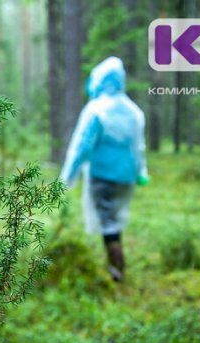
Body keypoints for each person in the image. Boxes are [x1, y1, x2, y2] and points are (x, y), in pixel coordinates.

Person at [59, 56, 149, 283]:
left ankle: (117, 267)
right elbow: (138, 146)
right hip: (126, 176)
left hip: (102, 174)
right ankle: (115, 265)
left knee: (108, 221)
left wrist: (67, 177)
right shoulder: (134, 111)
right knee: (115, 218)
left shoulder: (96, 109)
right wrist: (141, 172)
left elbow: (81, 145)